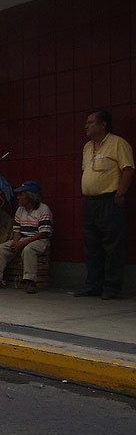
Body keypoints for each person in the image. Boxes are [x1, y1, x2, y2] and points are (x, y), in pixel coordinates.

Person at [74, 109, 133, 300]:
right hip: (90, 202)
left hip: (109, 200)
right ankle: (93, 285)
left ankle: (112, 286)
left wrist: (121, 193)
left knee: (112, 245)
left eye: (90, 122)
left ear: (103, 125)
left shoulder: (117, 143)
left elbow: (128, 169)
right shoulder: (86, 147)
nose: (86, 126)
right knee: (92, 245)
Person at [0, 181, 53, 294]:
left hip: (38, 239)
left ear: (30, 196)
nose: (18, 197)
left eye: (21, 195)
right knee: (1, 249)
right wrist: (15, 241)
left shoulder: (43, 209)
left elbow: (44, 233)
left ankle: (30, 281)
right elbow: (17, 229)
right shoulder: (20, 210)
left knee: (29, 250)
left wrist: (23, 243)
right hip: (23, 238)